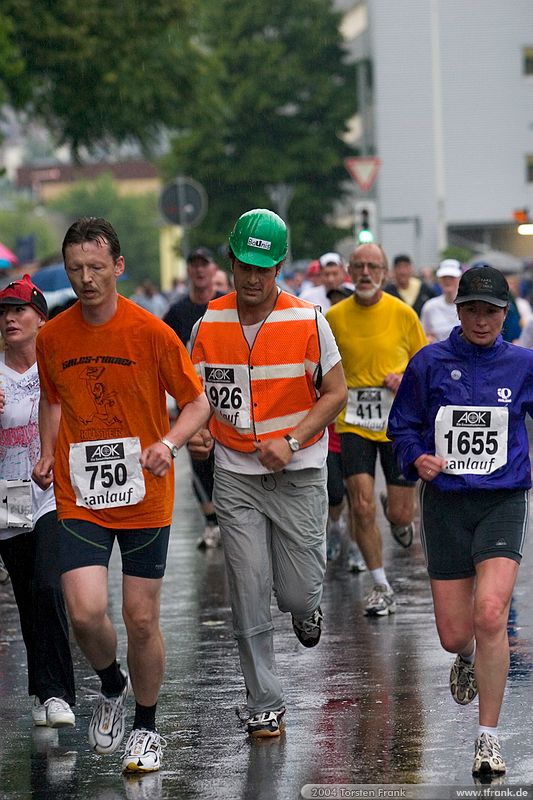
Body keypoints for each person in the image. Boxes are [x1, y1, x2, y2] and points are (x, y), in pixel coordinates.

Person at [32, 217, 210, 774]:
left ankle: (147, 728)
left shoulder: (151, 333)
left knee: (139, 619)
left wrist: (169, 441)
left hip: (144, 494)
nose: (86, 279)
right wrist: (45, 450)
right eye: (76, 269)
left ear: (119, 267)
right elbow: (53, 399)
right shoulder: (52, 336)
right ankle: (112, 684)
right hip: (80, 492)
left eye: (96, 268)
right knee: (85, 615)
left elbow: (197, 403)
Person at [188, 208, 347, 738]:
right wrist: (199, 430)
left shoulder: (308, 319)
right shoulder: (208, 323)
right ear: (230, 262)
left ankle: (308, 612)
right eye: (244, 266)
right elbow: (196, 397)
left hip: (299, 471)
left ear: (279, 266)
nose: (253, 279)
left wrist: (294, 438)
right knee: (249, 588)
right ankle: (264, 701)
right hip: (234, 474)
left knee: (298, 592)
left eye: (265, 267)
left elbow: (336, 394)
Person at [387, 265, 533, 776]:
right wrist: (417, 458)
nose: (481, 319)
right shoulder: (429, 363)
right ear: (459, 309)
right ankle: (466, 657)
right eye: (472, 308)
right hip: (446, 505)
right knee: (455, 634)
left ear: (504, 315)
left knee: (491, 613)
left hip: (502, 500)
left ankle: (488, 738)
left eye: (491, 311)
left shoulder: (523, 365)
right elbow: (400, 427)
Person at [325, 243, 427, 616]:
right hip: (353, 424)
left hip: (397, 426)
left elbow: (422, 367)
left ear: (384, 273)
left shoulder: (403, 314)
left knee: (401, 515)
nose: (365, 273)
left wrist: (404, 378)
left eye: (373, 266)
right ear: (349, 272)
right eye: (359, 266)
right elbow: (320, 367)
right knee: (361, 505)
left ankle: (397, 514)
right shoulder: (333, 318)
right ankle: (381, 585)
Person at [0, 275, 75, 729]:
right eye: (3, 312)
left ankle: (58, 693)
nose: (9, 319)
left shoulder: (58, 369)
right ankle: (42, 691)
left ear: (41, 320)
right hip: (8, 495)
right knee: (30, 598)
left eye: (18, 311)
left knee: (50, 587)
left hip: (52, 494)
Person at [164, 247, 223, 549]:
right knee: (200, 461)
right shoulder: (177, 313)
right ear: (188, 271)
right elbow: (165, 355)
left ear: (214, 270)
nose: (199, 271)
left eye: (205, 264)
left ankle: (232, 519)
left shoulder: (227, 305)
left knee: (229, 460)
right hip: (191, 399)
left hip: (226, 398)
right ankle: (211, 523)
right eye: (194, 265)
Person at [420, 259, 462, 342]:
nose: (447, 281)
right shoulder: (430, 307)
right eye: (444, 277)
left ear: (459, 279)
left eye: (451, 277)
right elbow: (423, 334)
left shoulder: (468, 306)